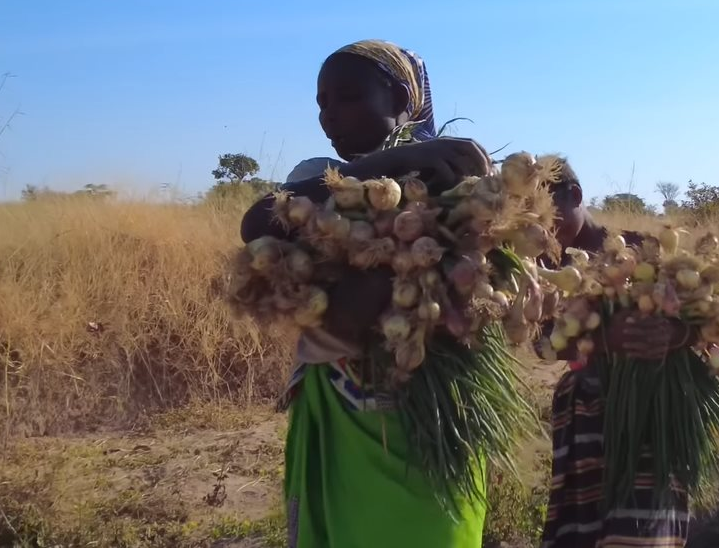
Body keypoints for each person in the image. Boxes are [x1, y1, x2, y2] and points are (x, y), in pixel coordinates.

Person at [239, 39, 496, 548]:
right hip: (345, 416)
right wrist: (400, 162)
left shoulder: (461, 176)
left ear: (401, 96)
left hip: (438, 418)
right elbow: (257, 224)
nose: (328, 115)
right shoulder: (318, 179)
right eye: (321, 103)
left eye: (347, 96)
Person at [541, 158, 695, 548]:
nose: (543, 229)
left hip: (651, 410)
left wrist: (672, 334)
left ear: (574, 196)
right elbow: (542, 342)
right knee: (583, 527)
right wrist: (606, 340)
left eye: (548, 215)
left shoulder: (644, 251)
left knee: (640, 529)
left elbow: (699, 319)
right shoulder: (545, 268)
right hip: (584, 418)